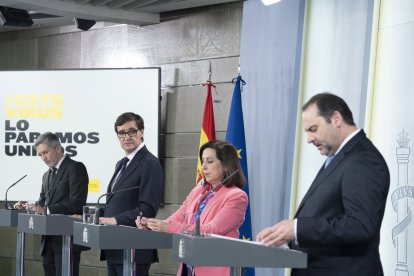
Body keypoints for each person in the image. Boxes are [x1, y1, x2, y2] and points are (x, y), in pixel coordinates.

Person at [256, 93, 390, 276]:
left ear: (336, 119)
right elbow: (329, 215)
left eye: (313, 129)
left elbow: (359, 226)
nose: (309, 139)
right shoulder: (342, 158)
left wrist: (297, 229)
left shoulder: (363, 160)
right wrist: (286, 239)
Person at [136, 140, 248, 276]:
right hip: (189, 266)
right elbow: (175, 218)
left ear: (226, 165)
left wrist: (167, 227)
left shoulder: (237, 196)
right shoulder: (198, 191)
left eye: (210, 161)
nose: (204, 167)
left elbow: (211, 230)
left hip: (215, 269)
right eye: (203, 161)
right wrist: (151, 224)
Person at [16, 132, 89, 276]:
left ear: (57, 148)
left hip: (67, 241)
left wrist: (46, 209)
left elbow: (76, 204)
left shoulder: (75, 168)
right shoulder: (46, 175)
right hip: (48, 241)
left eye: (45, 152)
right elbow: (42, 203)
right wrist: (29, 206)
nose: (43, 158)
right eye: (40, 155)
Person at [99, 112, 163, 276]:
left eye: (131, 131)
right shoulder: (121, 163)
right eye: (121, 133)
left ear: (141, 132)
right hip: (114, 247)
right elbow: (115, 202)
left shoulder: (150, 163)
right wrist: (92, 215)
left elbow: (147, 209)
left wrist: (115, 220)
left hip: (134, 249)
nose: (126, 137)